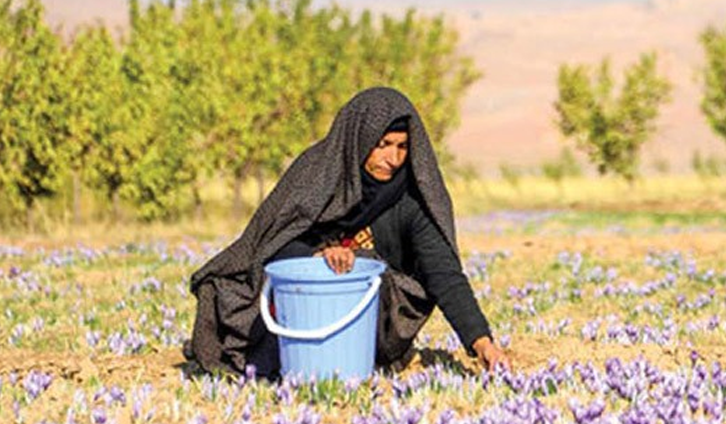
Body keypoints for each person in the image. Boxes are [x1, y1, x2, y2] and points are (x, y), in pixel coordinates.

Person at [186, 87, 508, 378]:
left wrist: (481, 343)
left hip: (368, 310)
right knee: (223, 290)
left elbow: (444, 274)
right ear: (359, 139)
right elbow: (271, 242)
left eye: (402, 147)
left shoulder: (409, 198)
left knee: (366, 265)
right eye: (382, 145)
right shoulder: (317, 174)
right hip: (296, 296)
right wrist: (317, 257)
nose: (393, 159)